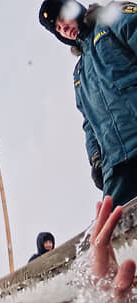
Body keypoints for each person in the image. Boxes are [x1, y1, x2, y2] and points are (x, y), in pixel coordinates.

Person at [39, 0, 137, 206]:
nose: (63, 28)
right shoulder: (79, 73)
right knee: (114, 230)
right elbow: (89, 123)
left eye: (62, 18)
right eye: (57, 28)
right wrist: (96, 158)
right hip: (116, 166)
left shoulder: (110, 19)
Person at [28, 231, 66, 303]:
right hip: (44, 297)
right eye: (46, 242)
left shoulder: (55, 256)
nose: (49, 245)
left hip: (55, 294)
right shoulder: (35, 258)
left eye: (50, 242)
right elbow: (30, 273)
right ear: (41, 244)